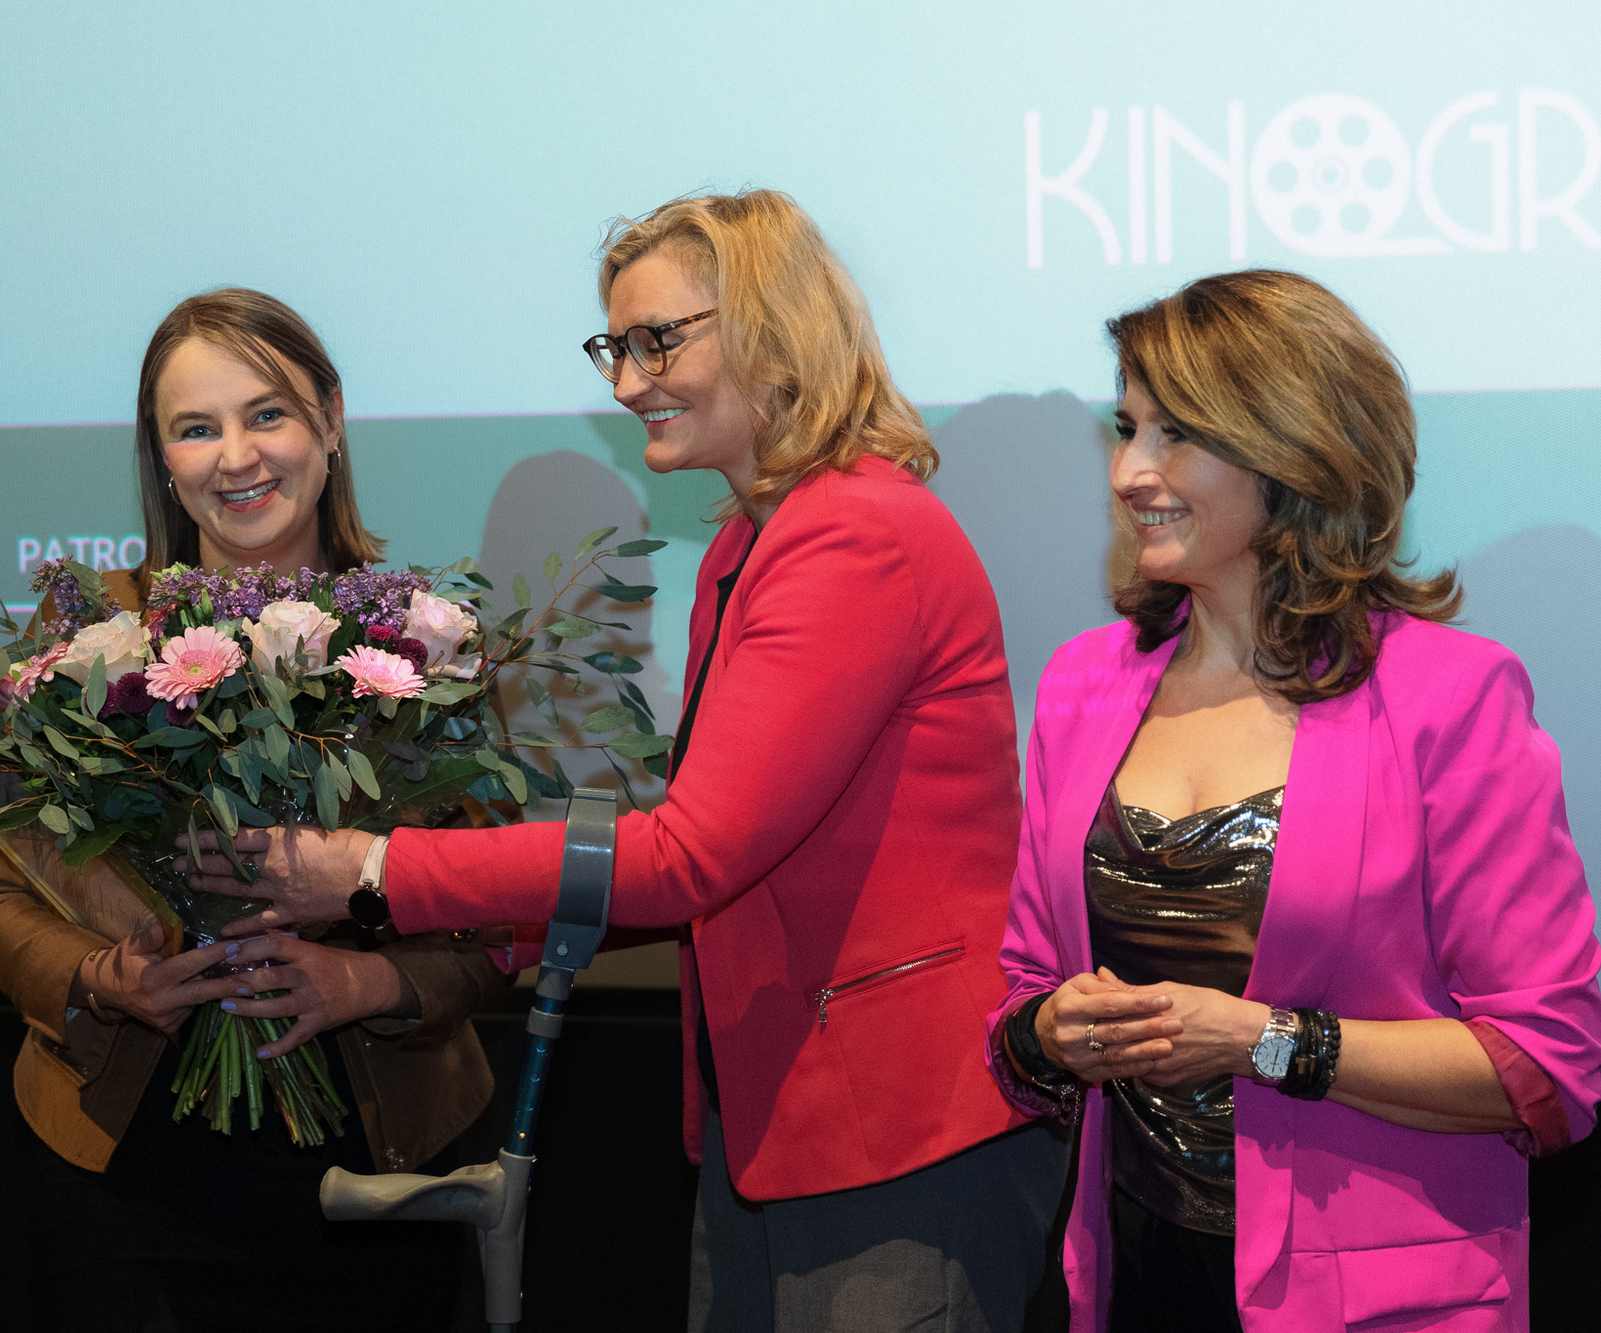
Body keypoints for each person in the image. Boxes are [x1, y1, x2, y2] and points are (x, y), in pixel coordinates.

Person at [185, 191, 1071, 1332]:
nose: (626, 383)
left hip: (899, 1125)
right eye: (615, 348)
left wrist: (371, 869)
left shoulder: (851, 534)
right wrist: (452, 950)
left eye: (658, 341)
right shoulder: (752, 540)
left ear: (774, 329)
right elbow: (704, 859)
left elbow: (688, 857)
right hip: (790, 1117)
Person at [986, 270, 1601, 1332]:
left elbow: (1544, 1064)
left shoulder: (1449, 697)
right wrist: (1048, 1032)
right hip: (1134, 1274)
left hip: (1374, 1298)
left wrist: (1265, 1040)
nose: (1129, 472)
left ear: (1293, 452)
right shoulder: (1083, 683)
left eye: (1176, 433)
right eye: (1127, 428)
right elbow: (1024, 993)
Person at [0, 288, 510, 1332]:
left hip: (379, 1169)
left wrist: (373, 979)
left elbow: (503, 913)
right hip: (123, 1172)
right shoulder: (88, 639)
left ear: (330, 420)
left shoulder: (425, 641)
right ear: (161, 456)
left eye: (268, 414)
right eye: (196, 428)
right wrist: (97, 975)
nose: (236, 456)